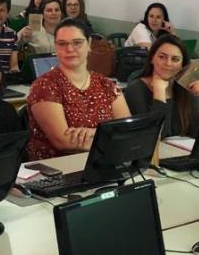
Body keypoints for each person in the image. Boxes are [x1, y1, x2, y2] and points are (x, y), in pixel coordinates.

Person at [26, 19, 131, 160]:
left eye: (77, 42)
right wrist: (108, 137)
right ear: (55, 47)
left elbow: (127, 132)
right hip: (57, 167)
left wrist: (94, 134)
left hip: (103, 162)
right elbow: (63, 142)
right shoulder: (45, 86)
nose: (69, 49)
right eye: (62, 43)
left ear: (89, 44)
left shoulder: (106, 85)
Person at [124, 34, 199, 138]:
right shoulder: (136, 89)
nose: (168, 63)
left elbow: (198, 132)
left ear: (182, 65)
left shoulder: (187, 85)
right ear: (152, 58)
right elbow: (155, 136)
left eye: (175, 59)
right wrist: (159, 92)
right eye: (162, 57)